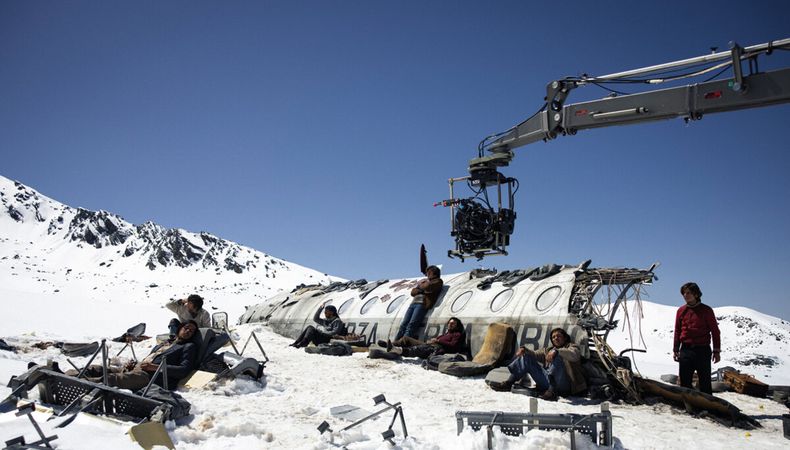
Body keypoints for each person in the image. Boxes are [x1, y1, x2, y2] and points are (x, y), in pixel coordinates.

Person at [67, 320, 199, 391]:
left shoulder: (188, 347)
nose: (188, 331)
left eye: (191, 331)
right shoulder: (166, 343)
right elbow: (150, 358)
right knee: (97, 368)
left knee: (111, 379)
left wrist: (154, 367)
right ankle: (64, 375)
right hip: (138, 369)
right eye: (186, 328)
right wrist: (135, 365)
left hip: (151, 377)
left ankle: (73, 384)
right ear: (180, 328)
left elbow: (183, 371)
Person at [491, 328, 587, 400]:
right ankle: (508, 383)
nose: (556, 338)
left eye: (558, 336)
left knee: (557, 357)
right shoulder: (547, 350)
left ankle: (552, 392)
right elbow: (534, 354)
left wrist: (557, 352)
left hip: (565, 385)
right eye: (553, 337)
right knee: (527, 357)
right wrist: (525, 350)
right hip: (547, 382)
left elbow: (574, 355)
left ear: (565, 338)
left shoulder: (572, 347)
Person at [673, 282, 721, 395]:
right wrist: (675, 349)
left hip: (702, 350)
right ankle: (687, 407)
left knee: (705, 382)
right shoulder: (681, 311)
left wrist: (716, 351)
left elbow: (715, 331)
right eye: (684, 293)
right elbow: (677, 330)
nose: (685, 295)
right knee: (685, 382)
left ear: (696, 294)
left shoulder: (706, 310)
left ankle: (708, 408)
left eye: (688, 293)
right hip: (686, 349)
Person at [395, 265, 443, 341]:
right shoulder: (425, 282)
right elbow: (413, 292)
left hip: (422, 304)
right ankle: (396, 341)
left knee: (412, 324)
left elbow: (427, 287)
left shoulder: (438, 281)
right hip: (413, 303)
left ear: (434, 273)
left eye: (429, 272)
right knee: (404, 324)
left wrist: (420, 287)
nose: (427, 274)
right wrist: (422, 288)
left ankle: (402, 343)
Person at [380, 317, 466, 359]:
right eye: (449, 323)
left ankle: (396, 349)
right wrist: (433, 340)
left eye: (453, 324)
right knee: (406, 339)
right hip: (430, 344)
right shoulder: (447, 333)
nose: (450, 325)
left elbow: (453, 345)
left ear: (457, 326)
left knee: (416, 349)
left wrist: (438, 340)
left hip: (437, 348)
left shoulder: (457, 334)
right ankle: (389, 345)